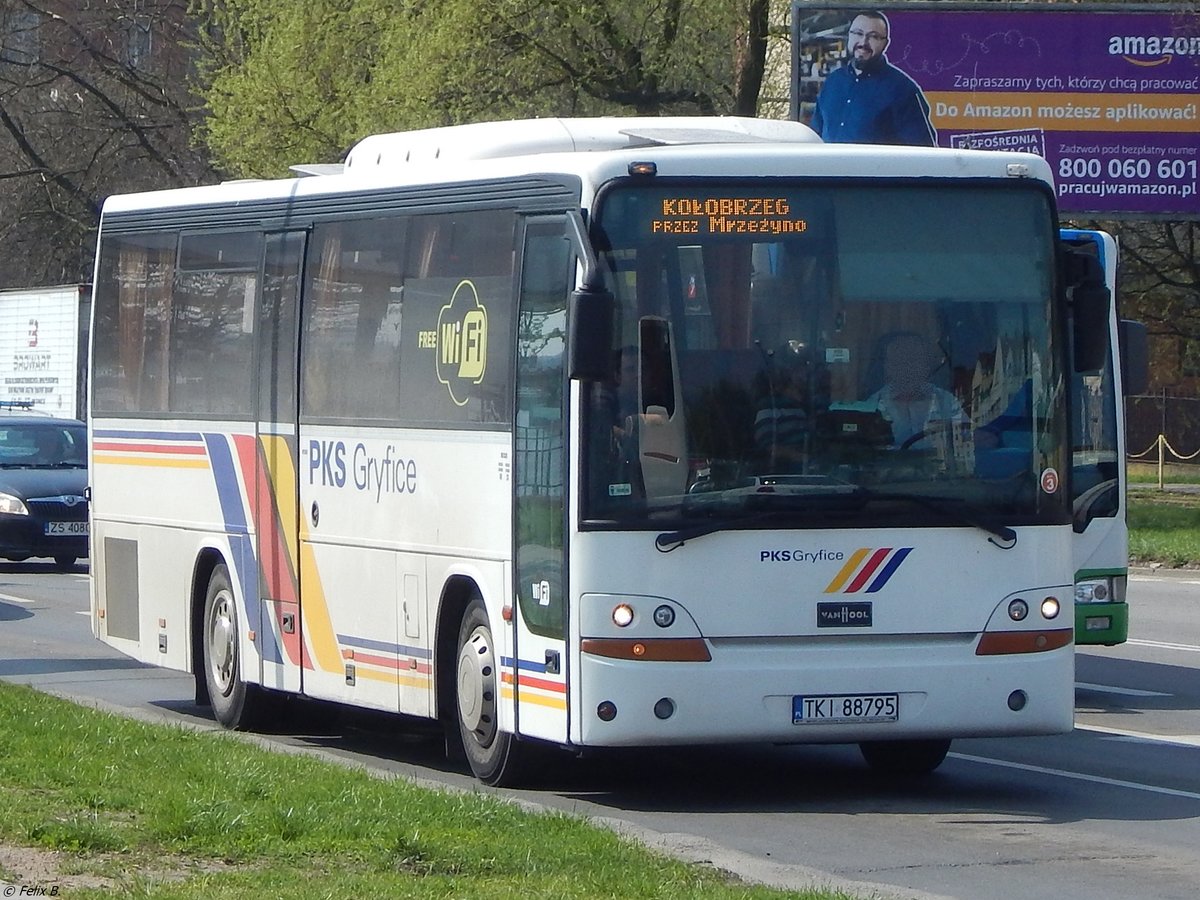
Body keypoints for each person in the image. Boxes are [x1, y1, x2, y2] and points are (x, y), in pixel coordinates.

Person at [810, 10, 937, 147]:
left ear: (885, 43)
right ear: (849, 36)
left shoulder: (904, 90)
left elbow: (923, 151)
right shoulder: (833, 81)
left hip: (878, 168)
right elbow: (814, 136)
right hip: (828, 168)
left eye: (873, 36)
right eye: (858, 33)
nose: (863, 42)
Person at [866, 332, 964, 449]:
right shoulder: (873, 405)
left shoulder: (946, 401)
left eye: (914, 361)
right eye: (900, 361)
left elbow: (967, 438)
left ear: (926, 366)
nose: (908, 369)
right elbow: (869, 451)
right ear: (887, 368)